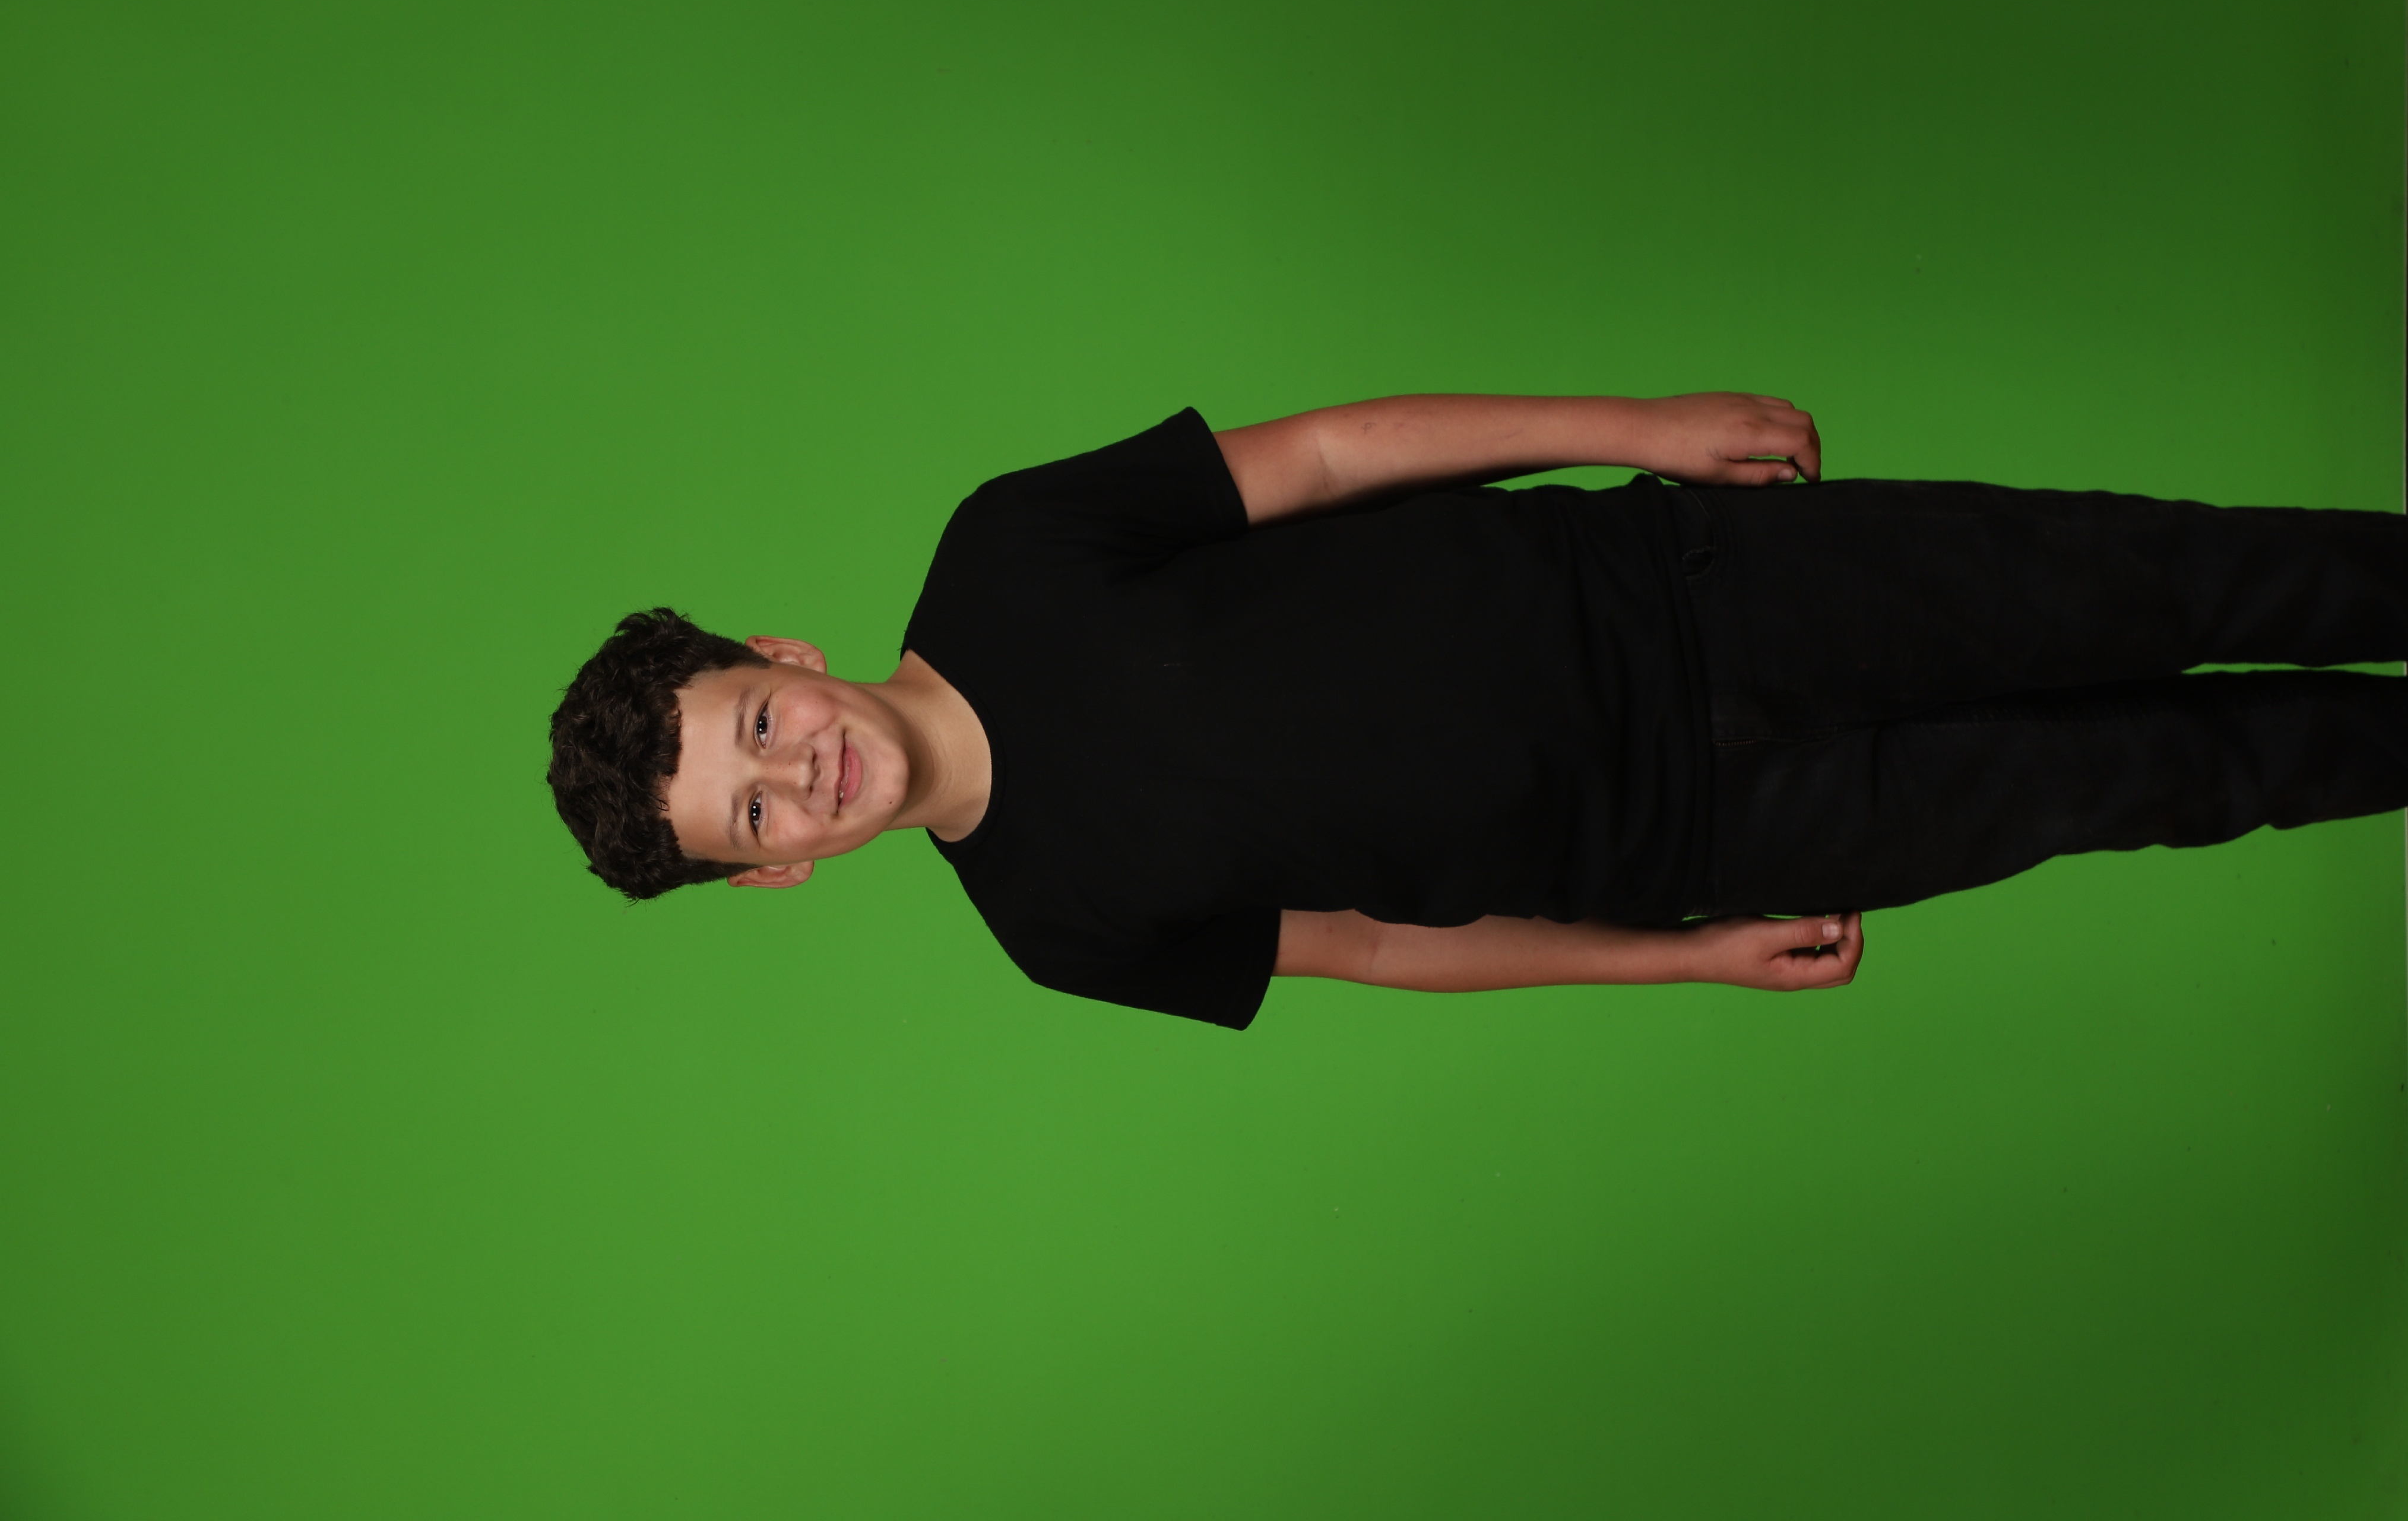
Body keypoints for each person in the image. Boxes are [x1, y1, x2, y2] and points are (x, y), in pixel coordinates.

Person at [546, 394, 2408, 1029]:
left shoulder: (1007, 553)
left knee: (2167, 580)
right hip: (1702, 837)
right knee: (2167, 777)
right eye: (754, 815)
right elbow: (1375, 948)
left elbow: (1331, 455)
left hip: (1697, 591)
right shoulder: (1058, 926)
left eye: (757, 726)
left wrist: (1633, 426)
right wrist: (1676, 958)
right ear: (775, 875)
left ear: (781, 656)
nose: (799, 776)